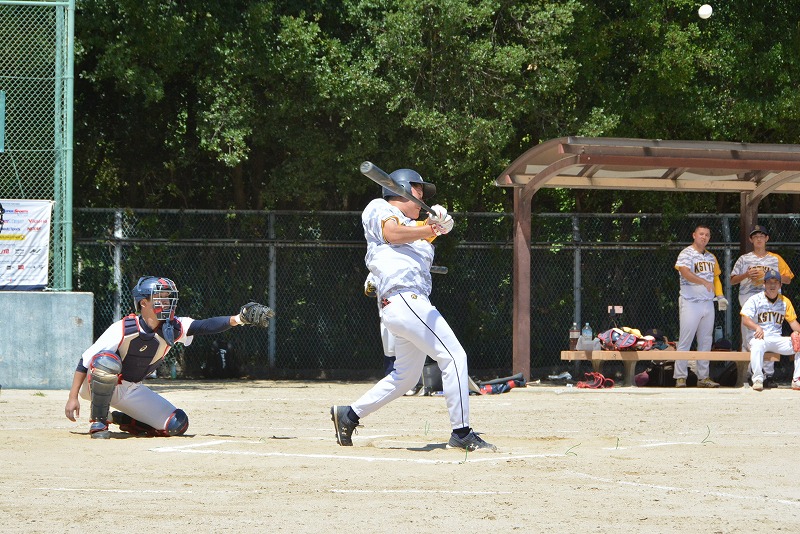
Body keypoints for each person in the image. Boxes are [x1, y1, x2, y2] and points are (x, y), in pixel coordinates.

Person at [331, 168, 495, 451]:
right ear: (403, 189)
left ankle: (349, 414)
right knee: (454, 356)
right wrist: (430, 228)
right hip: (405, 300)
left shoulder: (413, 228)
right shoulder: (379, 207)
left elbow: (414, 238)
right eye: (419, 190)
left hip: (408, 304)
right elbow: (392, 233)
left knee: (405, 377)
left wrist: (436, 226)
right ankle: (462, 432)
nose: (423, 198)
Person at [64, 276, 273, 439]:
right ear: (143, 303)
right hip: (96, 385)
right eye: (160, 298)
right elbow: (85, 360)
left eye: (167, 297)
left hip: (130, 389)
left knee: (177, 424)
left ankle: (119, 418)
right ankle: (99, 421)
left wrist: (238, 319)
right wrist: (73, 398)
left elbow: (204, 325)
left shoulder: (173, 327)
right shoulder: (124, 328)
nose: (166, 302)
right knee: (105, 361)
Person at [730, 225, 794, 386]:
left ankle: (768, 375)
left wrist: (770, 276)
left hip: (771, 302)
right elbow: (732, 280)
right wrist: (746, 274)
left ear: (767, 239)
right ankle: (748, 375)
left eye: (761, 236)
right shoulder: (744, 259)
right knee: (749, 339)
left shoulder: (775, 259)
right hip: (749, 300)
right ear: (751, 240)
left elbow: (788, 279)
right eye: (755, 236)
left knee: (770, 335)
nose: (759, 239)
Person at [674, 223, 728, 388]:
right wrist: (702, 281)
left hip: (707, 302)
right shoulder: (686, 253)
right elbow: (684, 272)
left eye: (707, 235)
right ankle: (680, 377)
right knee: (686, 339)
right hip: (690, 301)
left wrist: (720, 296)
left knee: (706, 340)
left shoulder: (711, 257)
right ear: (694, 235)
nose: (704, 237)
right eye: (701, 234)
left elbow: (716, 278)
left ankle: (703, 377)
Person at [740, 270, 800, 391]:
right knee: (757, 345)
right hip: (758, 337)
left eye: (776, 282)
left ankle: (796, 379)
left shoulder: (785, 301)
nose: (772, 285)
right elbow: (745, 319)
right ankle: (758, 379)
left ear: (780, 285)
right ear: (764, 284)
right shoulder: (755, 299)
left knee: (799, 343)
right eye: (769, 282)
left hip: (776, 339)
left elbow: (793, 323)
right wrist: (757, 327)